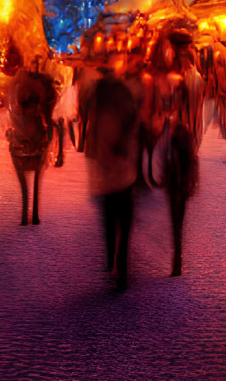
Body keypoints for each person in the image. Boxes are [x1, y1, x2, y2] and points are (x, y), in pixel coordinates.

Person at [85, 59, 142, 291]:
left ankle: (113, 265)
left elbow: (91, 142)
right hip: (123, 173)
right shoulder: (122, 97)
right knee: (123, 224)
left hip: (108, 175)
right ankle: (121, 269)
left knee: (110, 222)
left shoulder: (99, 102)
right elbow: (133, 128)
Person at [154, 74, 200, 276]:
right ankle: (177, 253)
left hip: (177, 167)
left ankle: (177, 254)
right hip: (177, 164)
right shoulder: (178, 124)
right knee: (176, 211)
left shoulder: (181, 129)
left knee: (177, 211)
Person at [6, 61, 56, 225]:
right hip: (32, 134)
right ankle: (32, 213)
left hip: (27, 135)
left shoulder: (18, 84)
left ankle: (28, 212)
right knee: (35, 177)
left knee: (28, 178)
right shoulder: (40, 83)